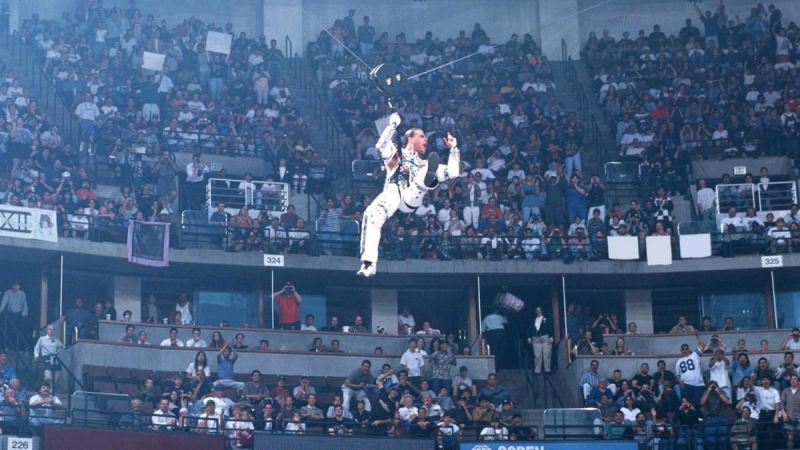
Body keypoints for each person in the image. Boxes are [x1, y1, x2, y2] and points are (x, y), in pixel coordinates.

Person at [357, 113, 460, 277]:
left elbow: (453, 173)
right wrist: (392, 126)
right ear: (410, 138)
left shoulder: (425, 163)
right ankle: (369, 264)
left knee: (424, 173)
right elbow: (380, 147)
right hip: (393, 192)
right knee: (371, 214)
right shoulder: (397, 152)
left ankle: (426, 181)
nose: (426, 139)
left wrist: (454, 149)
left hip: (413, 196)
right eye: (421, 136)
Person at [676, 339, 705, 407]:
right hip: (686, 384)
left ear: (689, 349)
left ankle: (698, 417)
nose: (684, 351)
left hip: (698, 384)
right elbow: (677, 375)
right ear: (681, 351)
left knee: (697, 403)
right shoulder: (678, 361)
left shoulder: (695, 355)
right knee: (686, 403)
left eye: (686, 349)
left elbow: (702, 345)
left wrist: (696, 335)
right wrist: (680, 383)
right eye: (683, 349)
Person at [527, 305, 554, 374]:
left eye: (540, 310)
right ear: (535, 312)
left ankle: (547, 370)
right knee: (537, 355)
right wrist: (529, 337)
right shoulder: (533, 319)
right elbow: (530, 329)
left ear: (542, 311)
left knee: (547, 354)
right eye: (537, 310)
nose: (538, 311)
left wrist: (551, 336)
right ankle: (537, 370)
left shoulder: (546, 319)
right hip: (536, 338)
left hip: (545, 337)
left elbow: (550, 327)